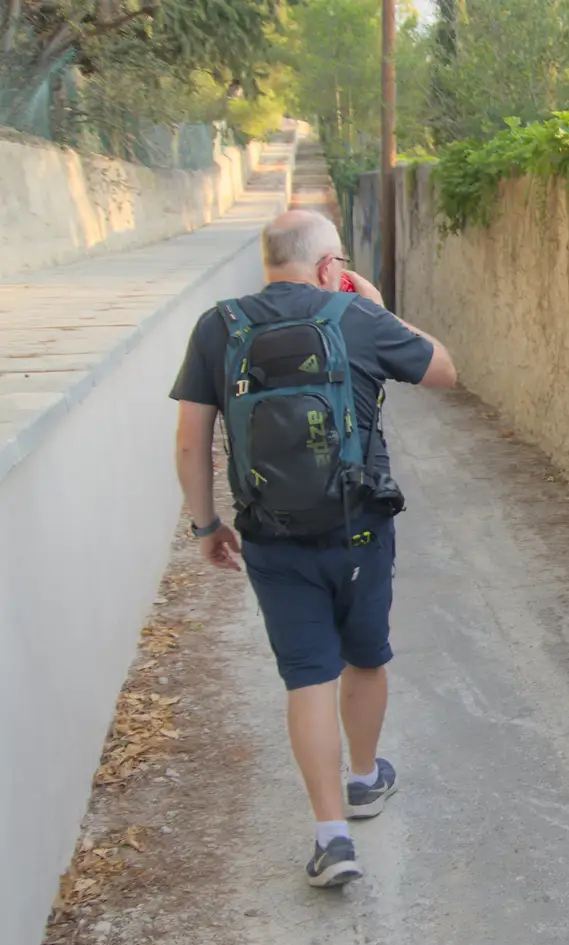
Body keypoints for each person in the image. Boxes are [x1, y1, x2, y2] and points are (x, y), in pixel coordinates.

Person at [170, 209, 457, 887]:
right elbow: (445, 370)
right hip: (360, 532)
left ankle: (331, 838)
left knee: (308, 677)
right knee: (364, 658)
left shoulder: (220, 327)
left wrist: (207, 526)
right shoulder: (354, 316)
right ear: (331, 266)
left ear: (267, 260)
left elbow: (190, 442)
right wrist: (382, 309)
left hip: (272, 540)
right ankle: (364, 779)